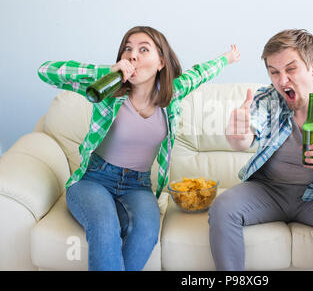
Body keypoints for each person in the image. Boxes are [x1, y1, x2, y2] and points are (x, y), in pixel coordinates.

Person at [37, 26, 240, 271]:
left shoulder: (172, 94)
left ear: (161, 63)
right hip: (93, 180)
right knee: (104, 225)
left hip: (138, 186)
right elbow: (46, 71)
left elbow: (200, 73)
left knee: (146, 232)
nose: (133, 55)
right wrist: (107, 72)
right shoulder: (108, 91)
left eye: (144, 49)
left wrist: (228, 58)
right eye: (128, 49)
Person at [208, 29, 313, 271]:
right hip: (268, 191)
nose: (282, 80)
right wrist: (237, 132)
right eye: (274, 72)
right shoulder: (266, 99)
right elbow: (244, 139)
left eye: (290, 69)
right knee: (223, 208)